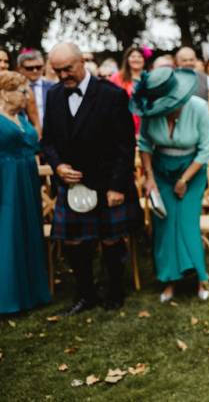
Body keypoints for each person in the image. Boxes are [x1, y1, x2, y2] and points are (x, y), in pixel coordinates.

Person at [42, 42, 140, 314]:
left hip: (107, 182)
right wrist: (58, 165)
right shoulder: (53, 95)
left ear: (82, 62)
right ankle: (86, 294)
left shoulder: (112, 95)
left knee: (110, 239)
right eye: (57, 71)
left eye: (68, 69)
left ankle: (115, 291)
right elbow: (48, 141)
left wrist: (117, 186)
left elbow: (125, 145)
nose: (63, 76)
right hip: (72, 185)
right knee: (73, 241)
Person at [133, 67, 209, 302]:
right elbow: (144, 144)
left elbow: (205, 150)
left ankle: (201, 278)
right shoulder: (151, 110)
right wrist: (149, 178)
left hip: (192, 170)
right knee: (165, 224)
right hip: (160, 171)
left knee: (187, 223)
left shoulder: (199, 108)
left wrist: (184, 179)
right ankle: (169, 280)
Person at [0, 71, 51, 314]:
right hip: (6, 179)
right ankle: (9, 297)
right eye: (22, 91)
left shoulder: (22, 117)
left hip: (27, 178)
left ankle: (33, 292)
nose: (27, 96)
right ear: (4, 93)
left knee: (29, 228)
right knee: (9, 231)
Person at [109, 45, 147, 133]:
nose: (136, 59)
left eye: (140, 56)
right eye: (133, 56)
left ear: (144, 60)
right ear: (127, 59)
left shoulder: (149, 78)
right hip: (121, 123)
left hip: (144, 124)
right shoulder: (117, 77)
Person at [17, 49, 54, 127]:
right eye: (30, 68)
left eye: (38, 67)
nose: (35, 71)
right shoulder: (15, 89)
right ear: (20, 69)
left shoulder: (53, 87)